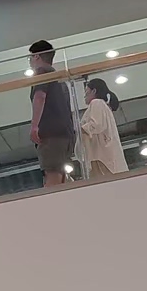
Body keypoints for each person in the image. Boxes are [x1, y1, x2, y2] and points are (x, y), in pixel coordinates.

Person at [27, 42, 74, 189]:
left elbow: (40, 96)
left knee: (52, 178)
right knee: (60, 178)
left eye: (30, 57)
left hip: (50, 134)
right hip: (66, 135)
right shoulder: (59, 78)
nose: (30, 61)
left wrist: (34, 126)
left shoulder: (42, 72)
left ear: (36, 56)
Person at [80, 76, 128, 179]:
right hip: (101, 155)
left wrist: (81, 130)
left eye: (86, 91)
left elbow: (97, 124)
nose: (84, 95)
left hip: (101, 157)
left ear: (94, 91)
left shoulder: (97, 103)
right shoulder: (103, 106)